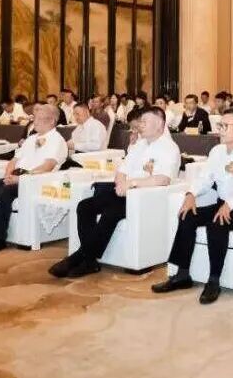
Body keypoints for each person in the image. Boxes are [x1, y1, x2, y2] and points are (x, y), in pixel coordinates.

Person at [152, 109, 233, 304]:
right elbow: (205, 179)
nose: (220, 129)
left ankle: (214, 280)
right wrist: (191, 194)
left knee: (217, 223)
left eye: (225, 126)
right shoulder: (217, 151)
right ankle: (182, 274)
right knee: (187, 215)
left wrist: (231, 203)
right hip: (220, 203)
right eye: (220, 125)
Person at [49, 106, 181, 278]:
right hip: (123, 191)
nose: (140, 125)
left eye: (144, 122)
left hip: (144, 197)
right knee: (85, 206)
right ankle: (89, 260)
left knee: (110, 213)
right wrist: (121, 183)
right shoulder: (139, 145)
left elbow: (162, 179)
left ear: (159, 125)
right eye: (140, 121)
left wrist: (131, 184)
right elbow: (122, 170)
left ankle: (80, 257)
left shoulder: (169, 148)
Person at [0, 104, 68, 254]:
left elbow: (47, 167)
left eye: (40, 119)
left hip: (36, 180)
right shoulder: (31, 138)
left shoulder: (58, 141)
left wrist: (21, 179)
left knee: (5, 191)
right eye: (35, 118)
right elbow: (14, 160)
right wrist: (9, 174)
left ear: (52, 121)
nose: (35, 122)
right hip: (16, 175)